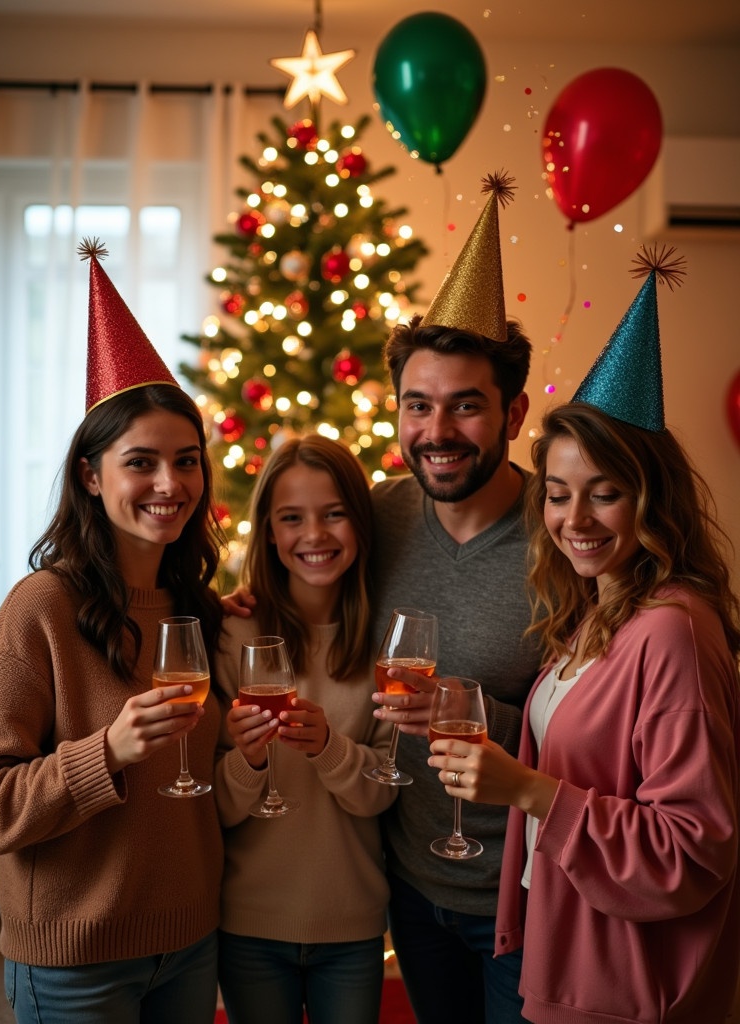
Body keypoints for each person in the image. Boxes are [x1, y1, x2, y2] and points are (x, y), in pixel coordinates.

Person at [223, 174, 543, 1022]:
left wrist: (472, 710)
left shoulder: (564, 539)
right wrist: (242, 599)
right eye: (417, 405)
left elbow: (598, 721)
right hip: (407, 884)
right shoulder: (381, 519)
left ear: (512, 411)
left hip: (526, 890)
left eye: (465, 407)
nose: (436, 431)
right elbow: (306, 559)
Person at [429, 247, 740, 1023]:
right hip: (566, 954)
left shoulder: (671, 633)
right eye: (561, 494)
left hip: (628, 984)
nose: (575, 520)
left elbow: (693, 848)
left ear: (650, 498)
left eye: (606, 494)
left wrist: (527, 790)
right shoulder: (596, 616)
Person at [0, 240, 226, 1024]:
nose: (169, 485)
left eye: (186, 462)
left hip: (191, 943)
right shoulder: (40, 609)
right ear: (91, 473)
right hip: (75, 961)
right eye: (140, 462)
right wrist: (104, 753)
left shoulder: (200, 609)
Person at [212, 433, 397, 1024]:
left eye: (334, 514)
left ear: (360, 525)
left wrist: (330, 748)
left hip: (352, 923)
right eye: (292, 518)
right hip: (248, 922)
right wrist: (250, 759)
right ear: (269, 531)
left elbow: (383, 790)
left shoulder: (388, 648)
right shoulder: (230, 635)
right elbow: (212, 805)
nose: (314, 535)